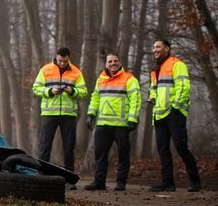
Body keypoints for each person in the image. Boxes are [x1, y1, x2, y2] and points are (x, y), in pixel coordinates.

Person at [148, 39, 202, 192]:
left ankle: (195, 181)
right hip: (159, 114)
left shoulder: (177, 64)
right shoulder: (155, 69)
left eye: (158, 46)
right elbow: (154, 88)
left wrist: (176, 107)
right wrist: (152, 97)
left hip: (174, 113)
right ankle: (168, 183)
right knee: (162, 149)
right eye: (154, 47)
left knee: (181, 146)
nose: (155, 50)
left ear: (167, 48)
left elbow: (184, 86)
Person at [82, 53, 139, 191]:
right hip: (103, 124)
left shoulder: (129, 79)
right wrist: (91, 114)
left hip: (121, 125)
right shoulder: (101, 79)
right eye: (110, 61)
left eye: (115, 61)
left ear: (119, 62)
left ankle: (121, 182)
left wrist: (132, 119)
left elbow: (135, 100)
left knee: (123, 155)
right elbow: (95, 98)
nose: (113, 63)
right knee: (100, 154)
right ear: (106, 63)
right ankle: (99, 182)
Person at [32, 47, 88, 189]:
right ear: (56, 57)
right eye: (60, 60)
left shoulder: (76, 72)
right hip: (49, 114)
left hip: (68, 114)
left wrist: (72, 91)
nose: (62, 63)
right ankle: (41, 178)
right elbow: (36, 88)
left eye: (65, 61)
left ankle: (69, 180)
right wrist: (50, 91)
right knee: (45, 146)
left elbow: (83, 92)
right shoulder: (45, 69)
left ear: (69, 58)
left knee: (69, 148)